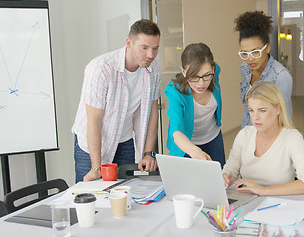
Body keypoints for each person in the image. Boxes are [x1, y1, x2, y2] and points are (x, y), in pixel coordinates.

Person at [72, 19, 161, 183]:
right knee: (93, 198)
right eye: (144, 48)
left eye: (155, 48)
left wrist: (148, 153)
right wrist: (95, 167)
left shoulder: (153, 69)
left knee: (125, 193)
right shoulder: (101, 69)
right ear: (129, 43)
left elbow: (152, 113)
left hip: (124, 139)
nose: (150, 55)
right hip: (92, 145)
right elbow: (94, 120)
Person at [222, 82, 304, 196]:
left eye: (262, 110)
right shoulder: (244, 135)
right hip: (248, 202)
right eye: (251, 110)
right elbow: (230, 170)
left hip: (280, 204)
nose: (255, 117)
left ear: (278, 109)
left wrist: (263, 191)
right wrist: (225, 177)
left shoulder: (291, 138)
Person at [164, 43, 225, 167]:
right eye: (194, 77)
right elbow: (176, 130)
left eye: (206, 75)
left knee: (218, 181)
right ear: (184, 71)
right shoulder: (175, 91)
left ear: (213, 69)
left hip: (213, 137)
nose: (201, 83)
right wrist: (194, 151)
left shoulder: (213, 73)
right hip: (187, 144)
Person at [235, 11, 293, 128]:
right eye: (245, 53)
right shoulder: (245, 68)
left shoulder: (281, 76)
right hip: (246, 132)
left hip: (268, 136)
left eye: (255, 52)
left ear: (268, 47)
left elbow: (284, 119)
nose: (250, 58)